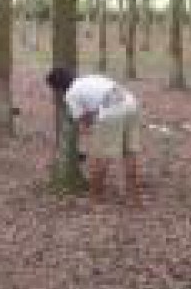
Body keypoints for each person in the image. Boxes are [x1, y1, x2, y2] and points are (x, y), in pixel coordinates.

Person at [45, 67, 141, 206]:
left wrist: (89, 128)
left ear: (58, 88)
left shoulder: (71, 95)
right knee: (129, 151)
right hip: (131, 103)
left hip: (112, 111)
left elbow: (85, 121)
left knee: (99, 156)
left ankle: (95, 198)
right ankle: (133, 196)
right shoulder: (89, 78)